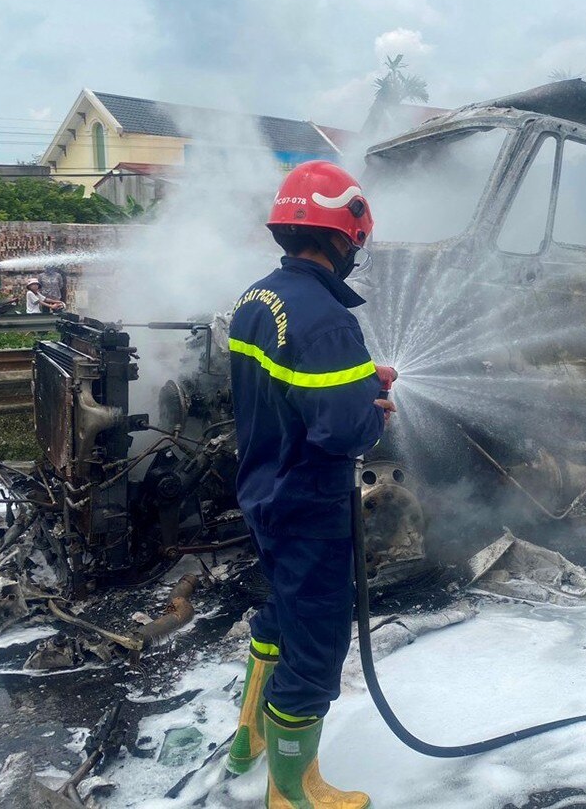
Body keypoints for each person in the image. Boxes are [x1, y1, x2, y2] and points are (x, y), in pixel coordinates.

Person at [226, 161, 395, 809]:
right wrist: (370, 407)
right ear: (343, 236)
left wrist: (356, 379)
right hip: (310, 503)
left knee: (281, 614)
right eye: (356, 241)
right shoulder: (326, 319)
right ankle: (293, 794)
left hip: (265, 492)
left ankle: (249, 739)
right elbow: (342, 431)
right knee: (318, 645)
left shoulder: (255, 299)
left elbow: (289, 389)